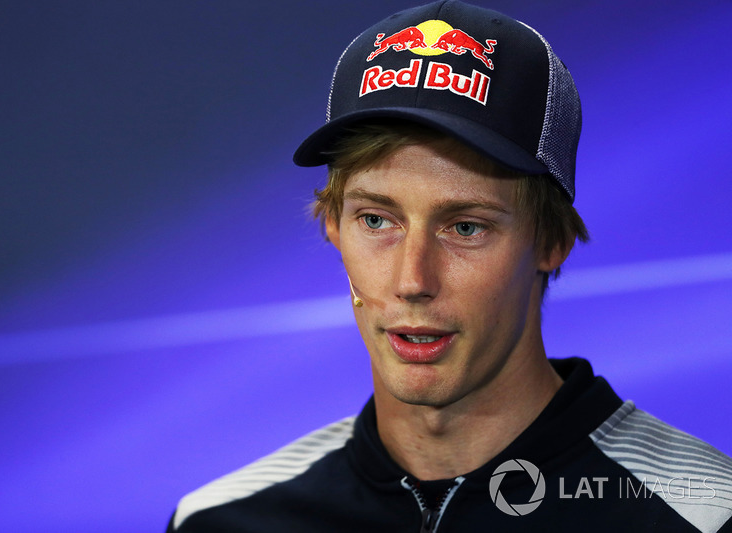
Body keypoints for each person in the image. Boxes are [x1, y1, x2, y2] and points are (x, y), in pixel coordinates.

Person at [166, 1, 732, 531]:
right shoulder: (221, 519)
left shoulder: (703, 513)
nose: (413, 281)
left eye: (466, 227)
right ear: (333, 227)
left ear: (552, 240)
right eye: (376, 220)